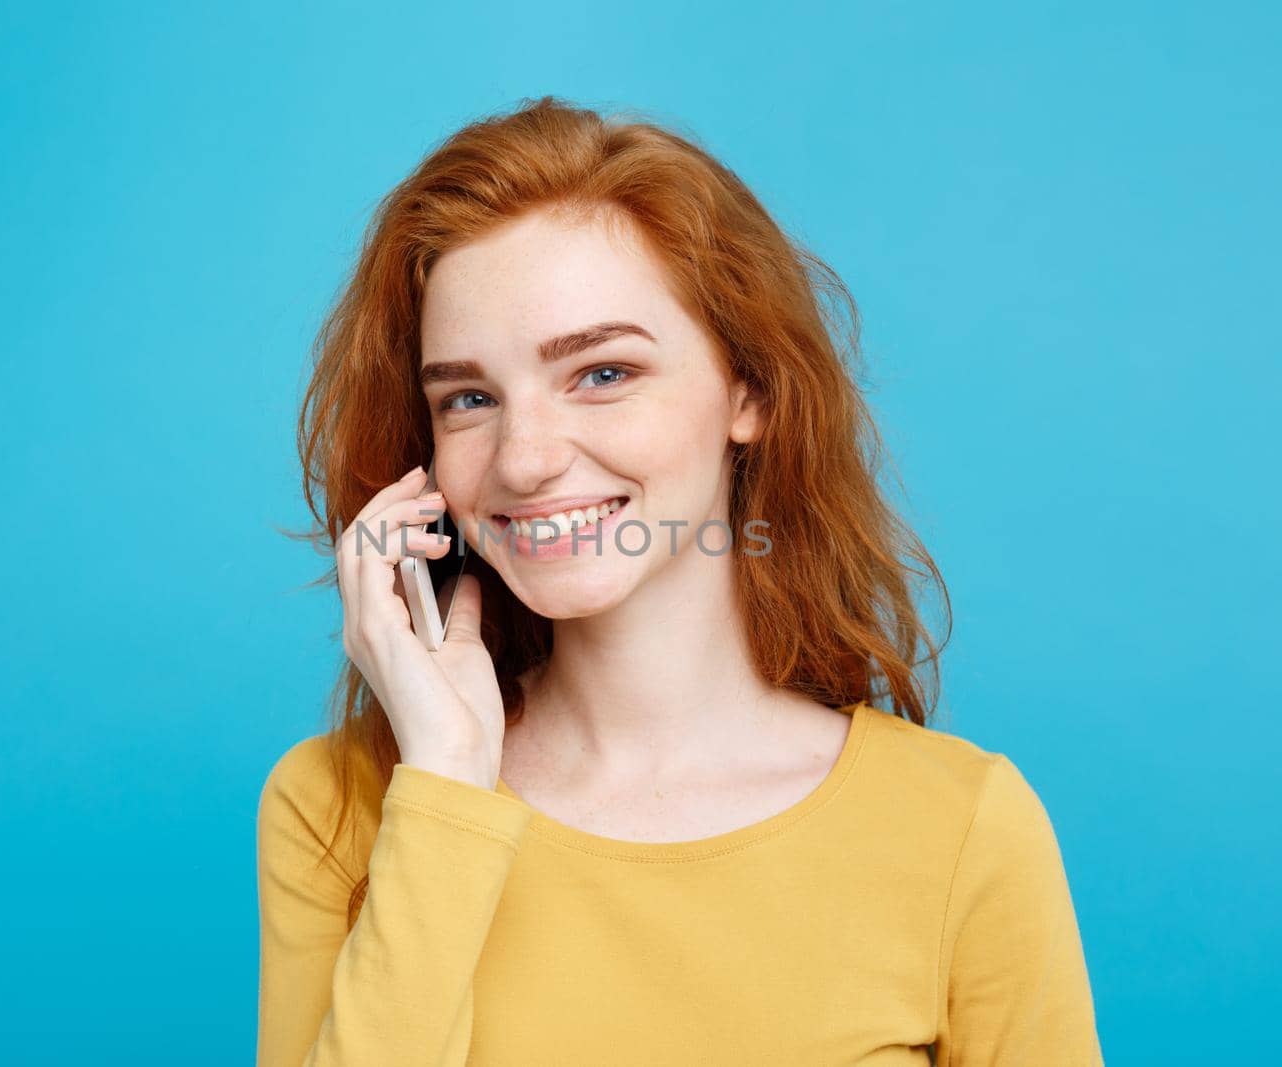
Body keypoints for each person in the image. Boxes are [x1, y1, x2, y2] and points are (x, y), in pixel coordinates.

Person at [257, 95, 1102, 1065]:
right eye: (470, 397)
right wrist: (445, 788)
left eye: (602, 373)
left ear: (748, 391)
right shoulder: (335, 807)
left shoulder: (961, 827)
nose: (524, 459)